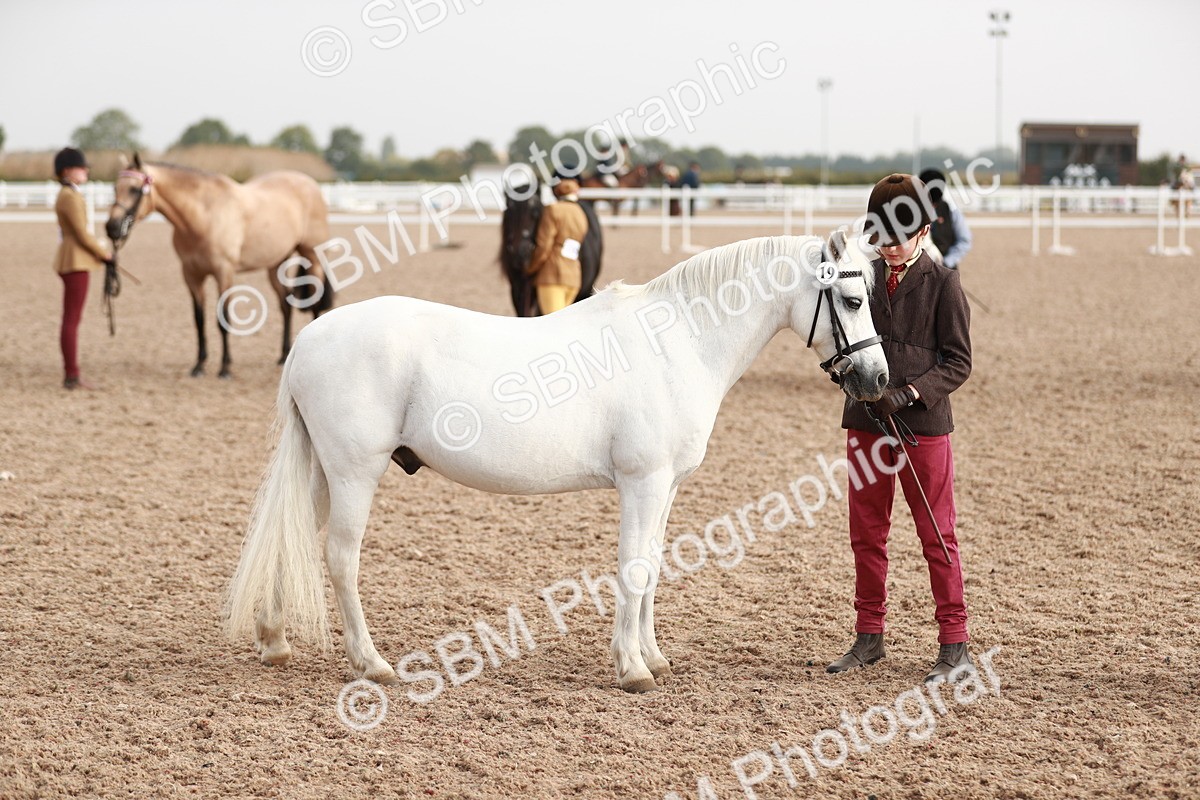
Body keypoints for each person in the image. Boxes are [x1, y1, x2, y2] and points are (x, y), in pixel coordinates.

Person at [826, 173, 974, 684]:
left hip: (922, 427)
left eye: (897, 238)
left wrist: (909, 393)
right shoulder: (861, 276)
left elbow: (958, 363)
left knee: (937, 533)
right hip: (865, 422)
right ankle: (869, 636)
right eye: (879, 238)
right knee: (866, 533)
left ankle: (955, 644)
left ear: (924, 231)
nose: (887, 248)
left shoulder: (945, 284)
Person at [52, 147, 112, 390]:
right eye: (81, 166)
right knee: (71, 320)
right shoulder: (69, 196)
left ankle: (72, 373)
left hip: (74, 259)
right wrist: (104, 254)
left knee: (72, 319)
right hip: (74, 260)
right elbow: (82, 234)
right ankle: (72, 375)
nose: (86, 170)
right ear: (67, 171)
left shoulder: (70, 194)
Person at [526, 178, 587, 314]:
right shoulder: (581, 213)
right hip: (574, 277)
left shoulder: (553, 209)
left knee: (554, 324)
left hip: (552, 276)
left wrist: (531, 268)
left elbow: (544, 245)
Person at [918, 168, 973, 270]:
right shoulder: (911, 212)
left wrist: (946, 263)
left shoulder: (951, 211)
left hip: (945, 269)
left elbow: (964, 240)